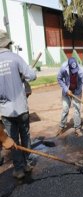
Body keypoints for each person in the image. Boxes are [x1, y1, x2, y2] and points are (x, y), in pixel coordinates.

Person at [0, 29, 37, 179]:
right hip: (21, 108)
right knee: (25, 136)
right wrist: (22, 74)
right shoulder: (15, 58)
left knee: (12, 140)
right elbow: (32, 76)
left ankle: (19, 169)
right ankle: (27, 163)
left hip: (6, 111)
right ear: (8, 44)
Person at [56, 57, 83, 136]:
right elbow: (59, 79)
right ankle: (61, 126)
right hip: (67, 91)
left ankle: (77, 128)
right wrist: (66, 89)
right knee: (65, 109)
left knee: (77, 109)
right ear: (68, 67)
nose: (74, 72)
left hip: (77, 91)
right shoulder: (63, 68)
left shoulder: (80, 71)